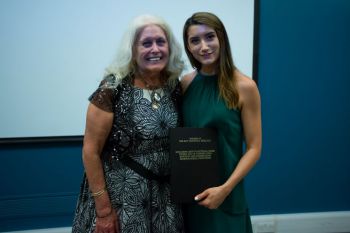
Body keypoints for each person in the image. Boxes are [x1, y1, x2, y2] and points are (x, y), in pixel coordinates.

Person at [72, 14, 185, 233]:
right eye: (146, 43)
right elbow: (90, 151)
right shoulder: (113, 87)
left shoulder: (174, 86)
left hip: (166, 200)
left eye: (161, 42)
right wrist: (103, 210)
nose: (155, 49)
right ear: (132, 50)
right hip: (122, 198)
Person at [181, 12, 262, 233]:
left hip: (227, 194)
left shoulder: (245, 87)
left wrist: (224, 189)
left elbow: (254, 148)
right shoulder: (185, 84)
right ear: (188, 47)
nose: (204, 46)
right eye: (195, 40)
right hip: (191, 197)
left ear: (221, 39)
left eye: (210, 37)